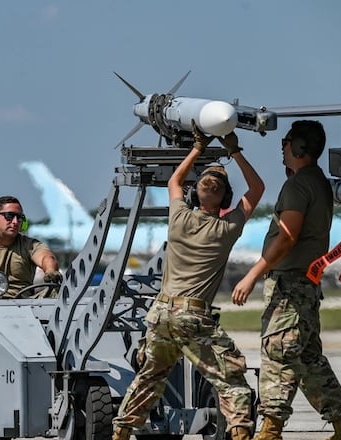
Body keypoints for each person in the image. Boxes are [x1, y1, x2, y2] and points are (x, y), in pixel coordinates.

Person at [112, 121, 264, 440]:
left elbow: (176, 180)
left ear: (197, 193)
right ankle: (239, 434)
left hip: (161, 315)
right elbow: (257, 190)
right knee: (230, 377)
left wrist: (197, 147)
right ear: (225, 200)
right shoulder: (226, 229)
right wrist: (234, 150)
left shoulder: (179, 218)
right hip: (192, 318)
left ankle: (122, 432)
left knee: (149, 379)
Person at [230, 120, 341, 440]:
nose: (283, 149)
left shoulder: (299, 186)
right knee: (307, 358)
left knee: (278, 352)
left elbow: (287, 237)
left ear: (300, 148)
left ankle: (270, 429)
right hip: (305, 284)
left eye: (287, 143)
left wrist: (251, 275)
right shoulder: (315, 181)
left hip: (289, 286)